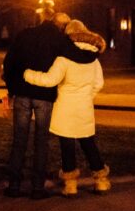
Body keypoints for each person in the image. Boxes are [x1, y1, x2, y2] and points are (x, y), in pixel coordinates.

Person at [1, 6, 99, 200]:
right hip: (44, 96)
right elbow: (80, 55)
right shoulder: (60, 40)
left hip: (21, 93)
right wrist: (95, 52)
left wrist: (12, 90)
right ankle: (37, 187)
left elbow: (9, 63)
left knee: (19, 140)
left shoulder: (25, 34)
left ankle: (14, 185)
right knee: (40, 142)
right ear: (62, 26)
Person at [23, 19, 110, 198]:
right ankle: (101, 180)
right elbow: (99, 83)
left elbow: (50, 80)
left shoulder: (63, 59)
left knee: (67, 146)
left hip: (65, 108)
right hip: (84, 108)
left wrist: (27, 74)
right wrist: (87, 96)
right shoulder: (94, 59)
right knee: (89, 144)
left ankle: (71, 184)